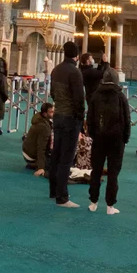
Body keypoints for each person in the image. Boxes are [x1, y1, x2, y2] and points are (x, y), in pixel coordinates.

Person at [87, 68, 131, 215]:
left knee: (96, 171)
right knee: (113, 173)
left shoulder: (95, 96)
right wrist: (126, 137)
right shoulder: (120, 96)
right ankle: (110, 205)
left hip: (99, 139)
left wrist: (93, 135)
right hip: (117, 140)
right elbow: (127, 119)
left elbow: (90, 118)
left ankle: (93, 202)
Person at [49, 41, 85, 208]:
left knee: (56, 154)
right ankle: (62, 197)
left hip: (58, 116)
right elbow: (79, 99)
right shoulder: (75, 72)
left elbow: (52, 93)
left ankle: (53, 191)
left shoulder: (56, 70)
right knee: (66, 157)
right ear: (77, 55)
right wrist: (80, 118)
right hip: (70, 118)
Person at [22, 102, 54, 176]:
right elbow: (41, 148)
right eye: (51, 112)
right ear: (45, 114)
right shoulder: (44, 127)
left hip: (27, 152)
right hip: (31, 156)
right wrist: (41, 168)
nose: (54, 113)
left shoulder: (40, 118)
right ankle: (35, 164)